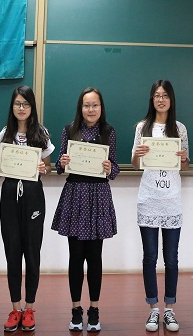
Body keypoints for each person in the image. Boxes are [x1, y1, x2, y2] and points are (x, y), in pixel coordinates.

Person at [51, 87, 119, 333]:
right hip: (75, 195)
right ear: (80, 108)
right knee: (76, 257)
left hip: (98, 197)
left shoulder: (108, 131)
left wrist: (110, 167)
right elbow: (59, 166)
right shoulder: (69, 129)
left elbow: (114, 170)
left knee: (95, 257)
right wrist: (62, 162)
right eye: (87, 105)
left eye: (95, 105)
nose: (91, 109)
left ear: (101, 107)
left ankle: (94, 310)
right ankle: (76, 310)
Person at [0, 86, 54, 333]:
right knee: (12, 251)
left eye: (25, 104)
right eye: (17, 103)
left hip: (33, 195)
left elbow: (48, 167)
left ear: (32, 107)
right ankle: (15, 308)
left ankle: (29, 307)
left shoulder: (41, 132)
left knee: (32, 251)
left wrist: (43, 169)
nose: (21, 108)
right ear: (12, 106)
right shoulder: (5, 132)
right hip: (9, 194)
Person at [131, 80, 189, 333]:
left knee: (172, 258)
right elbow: (135, 165)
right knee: (150, 257)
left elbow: (184, 166)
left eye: (165, 95)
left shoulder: (180, 128)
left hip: (171, 199)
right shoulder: (142, 127)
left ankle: (170, 309)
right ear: (151, 99)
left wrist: (184, 159)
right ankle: (153, 309)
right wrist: (138, 155)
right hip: (148, 198)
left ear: (171, 99)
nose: (161, 99)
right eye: (157, 95)